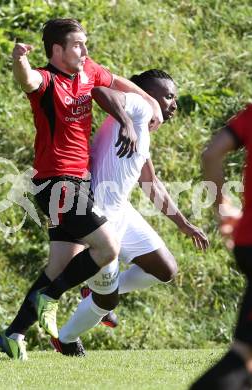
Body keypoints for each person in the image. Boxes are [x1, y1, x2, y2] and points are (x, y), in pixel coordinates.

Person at [0, 18, 164, 360]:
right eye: (76, 45)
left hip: (78, 182)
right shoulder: (46, 80)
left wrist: (152, 102)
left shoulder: (88, 70)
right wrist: (19, 61)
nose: (84, 51)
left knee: (59, 265)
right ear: (57, 50)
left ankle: (13, 334)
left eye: (84, 44)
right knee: (107, 247)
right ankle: (51, 298)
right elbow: (26, 79)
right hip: (57, 182)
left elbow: (120, 83)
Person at [50, 69, 209, 356]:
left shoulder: (143, 126)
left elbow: (151, 184)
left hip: (121, 210)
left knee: (165, 269)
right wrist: (126, 121)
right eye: (169, 96)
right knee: (106, 304)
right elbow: (99, 90)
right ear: (148, 93)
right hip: (98, 218)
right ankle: (67, 338)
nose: (173, 103)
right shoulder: (140, 105)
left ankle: (94, 292)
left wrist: (184, 225)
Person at [190, 104, 252, 390]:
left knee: (244, 355)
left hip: (248, 242)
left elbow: (212, 153)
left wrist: (222, 208)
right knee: (241, 358)